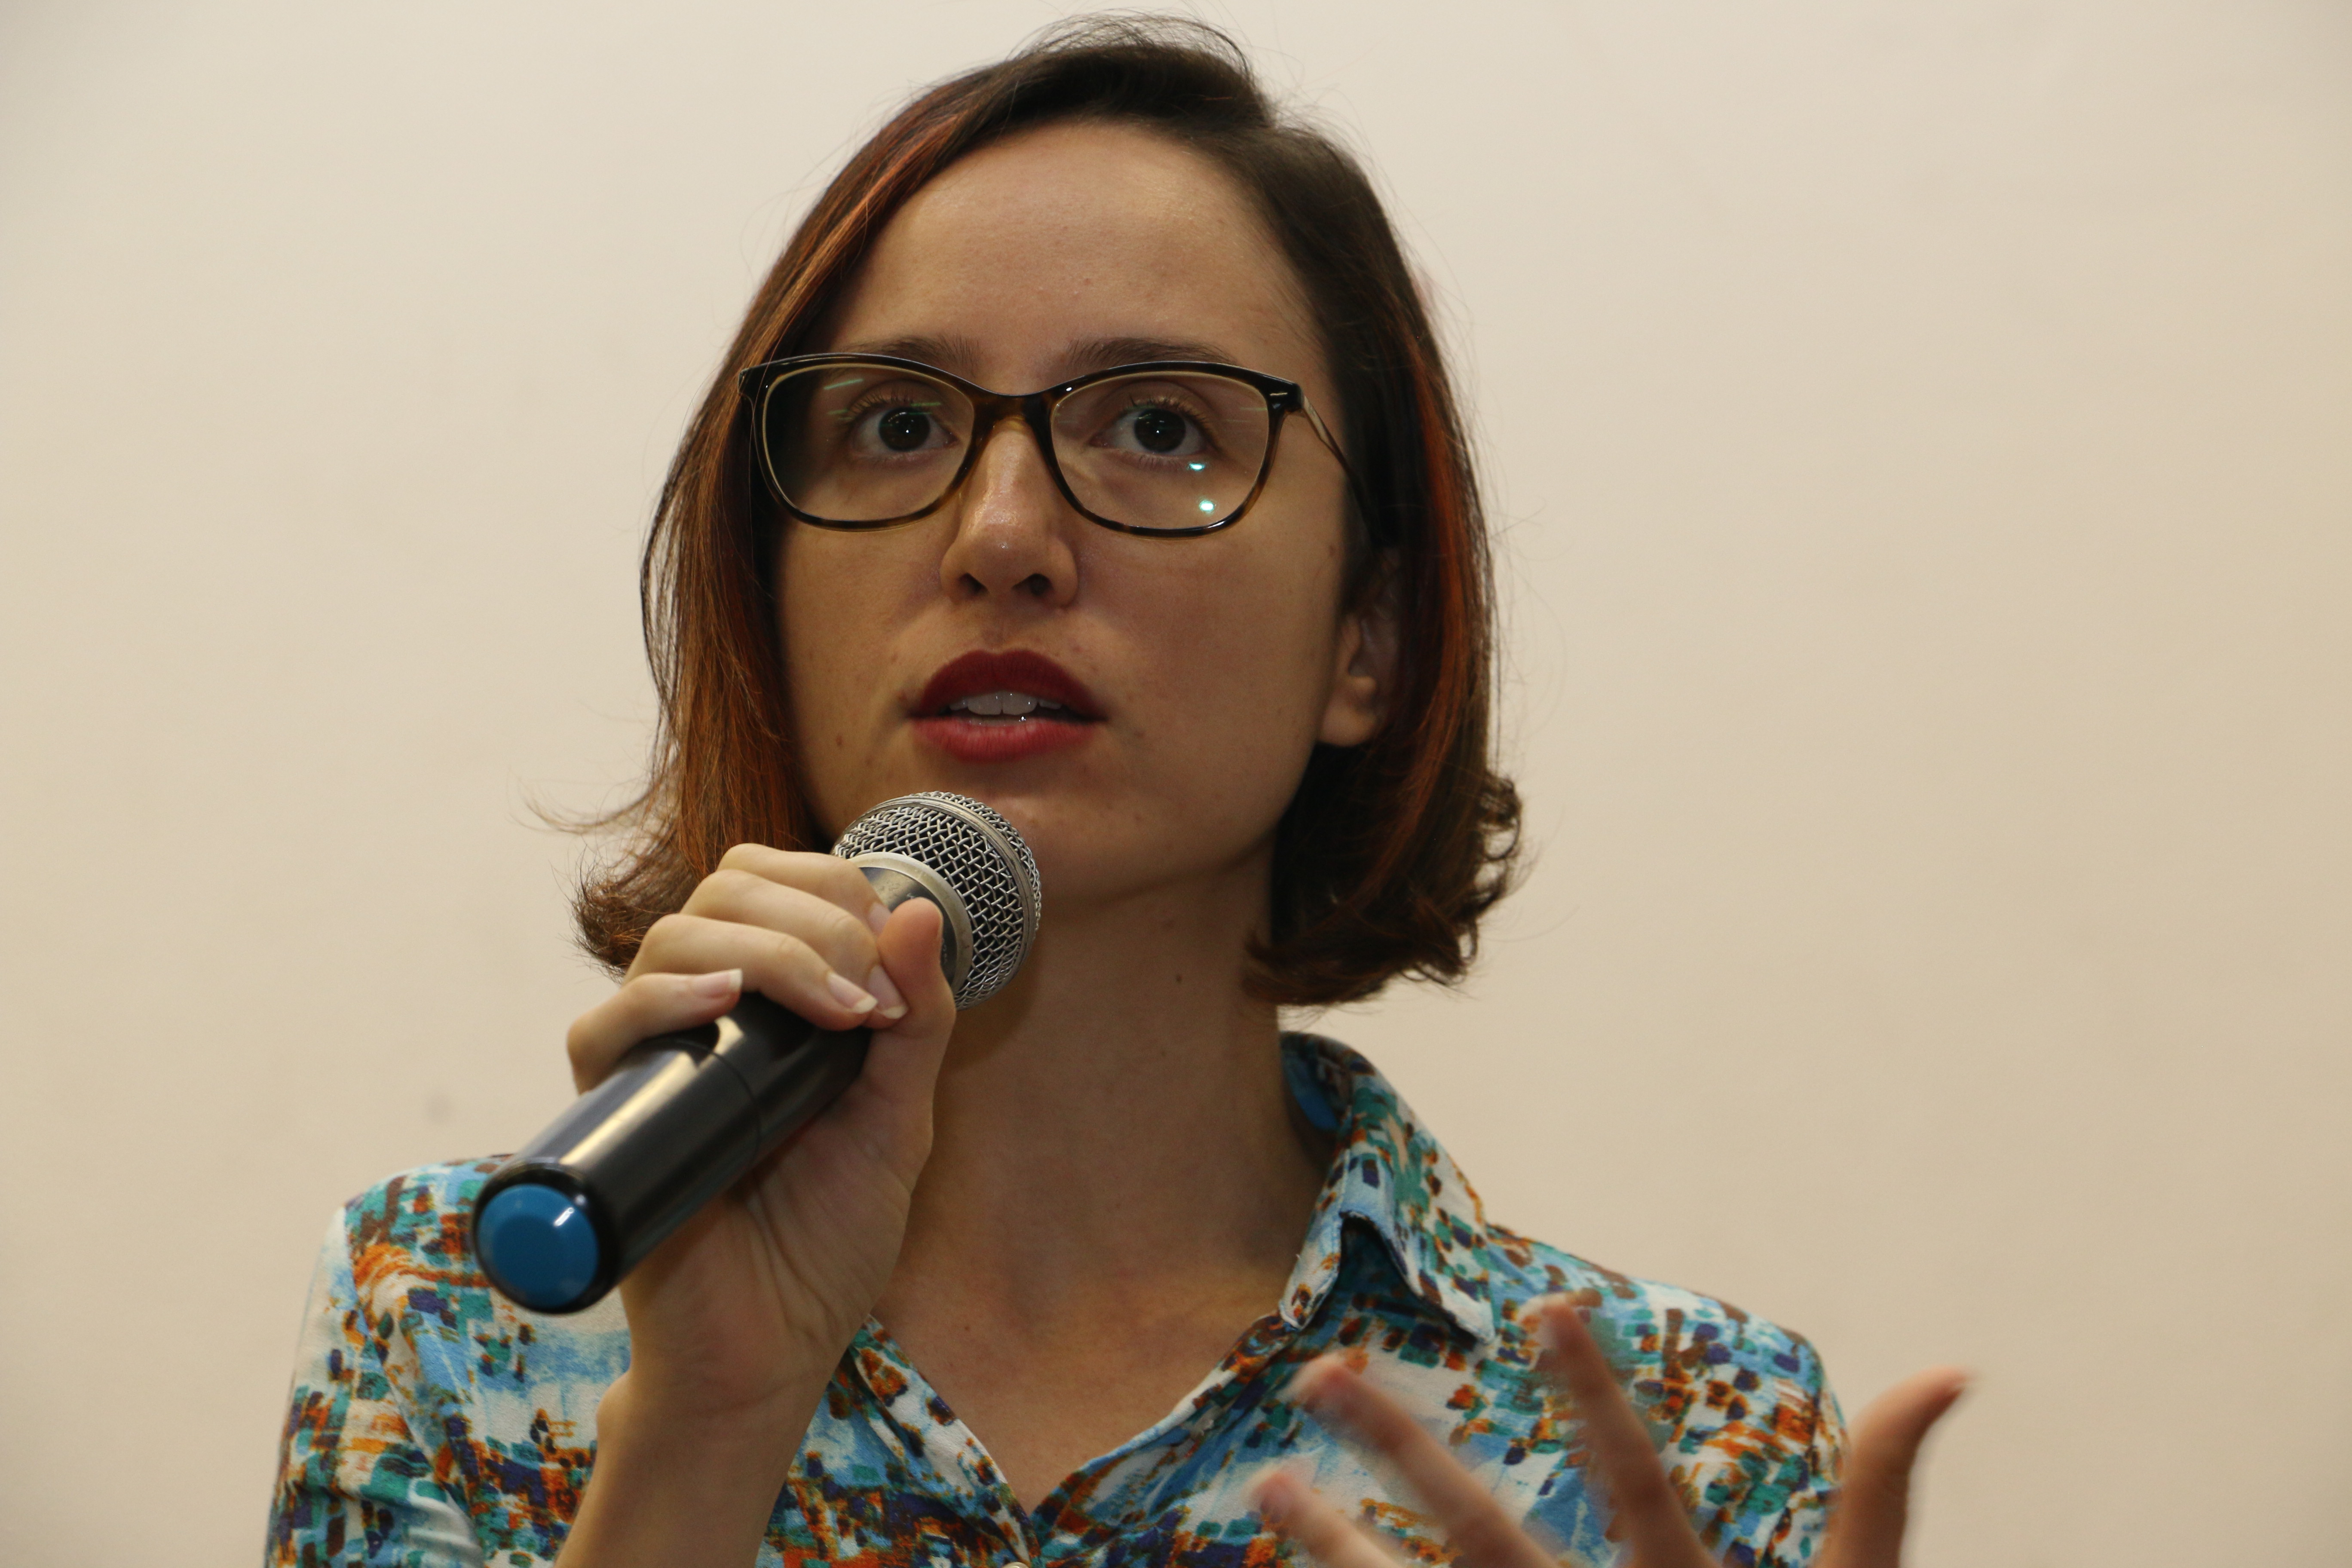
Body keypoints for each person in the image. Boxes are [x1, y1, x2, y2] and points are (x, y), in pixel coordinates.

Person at [266, 20, 1961, 1568]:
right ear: (767, 591)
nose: (1000, 536)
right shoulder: (468, 1317)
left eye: (1159, 428)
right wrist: (702, 1436)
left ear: (1366, 639)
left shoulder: (1684, 1439)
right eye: (897, 428)